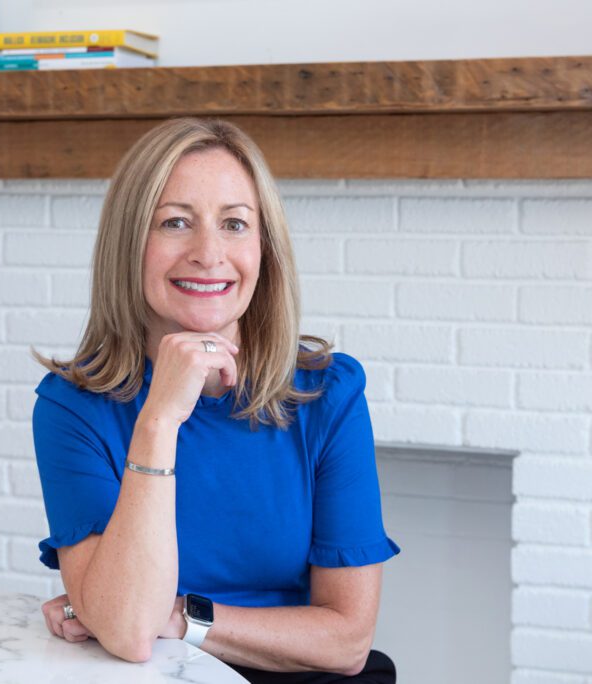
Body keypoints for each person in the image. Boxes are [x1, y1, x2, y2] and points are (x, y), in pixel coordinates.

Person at [30, 117, 400, 683]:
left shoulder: (329, 394)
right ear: (130, 243)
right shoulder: (73, 408)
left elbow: (348, 639)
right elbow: (130, 631)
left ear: (263, 249)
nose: (209, 253)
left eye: (234, 224)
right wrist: (160, 418)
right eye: (175, 222)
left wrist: (180, 618)